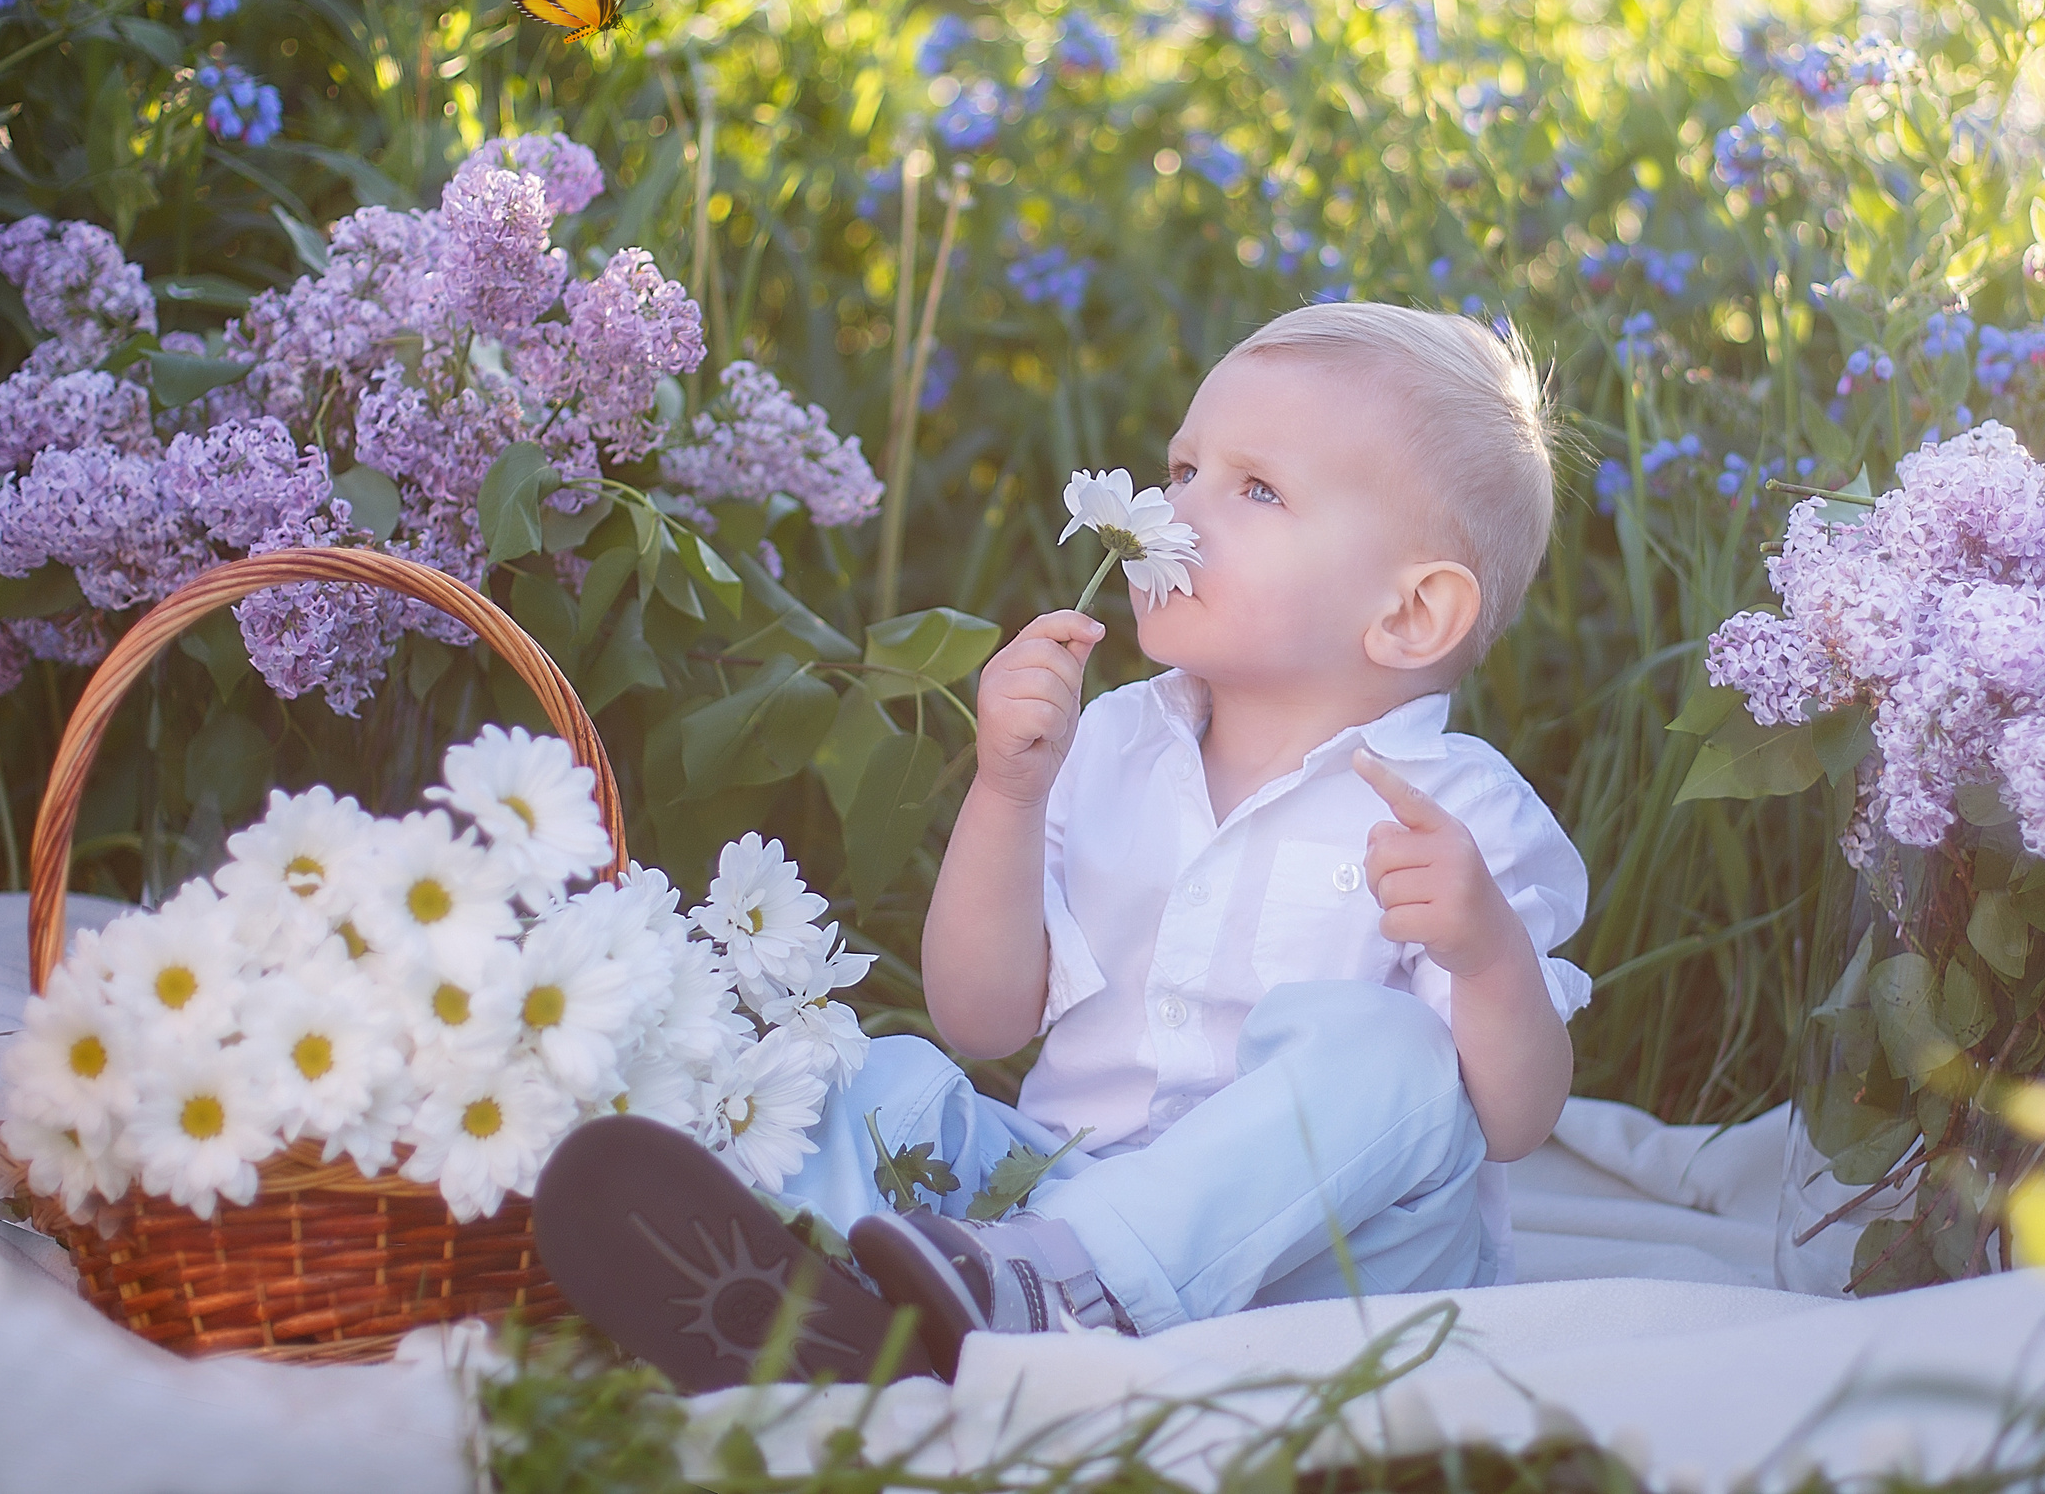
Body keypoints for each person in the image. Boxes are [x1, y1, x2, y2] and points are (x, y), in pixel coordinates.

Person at [534, 302, 1594, 1389]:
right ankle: (816, 1283)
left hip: (1333, 1262)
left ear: (1412, 615)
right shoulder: (1112, 744)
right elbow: (978, 1018)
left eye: (1255, 489)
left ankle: (1038, 1288)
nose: (1175, 513)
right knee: (886, 1078)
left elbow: (1512, 1122)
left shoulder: (1460, 820)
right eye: (1181, 470)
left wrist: (1486, 954)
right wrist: (1009, 788)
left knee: (1394, 1055)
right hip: (1043, 1210)